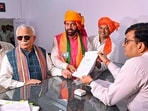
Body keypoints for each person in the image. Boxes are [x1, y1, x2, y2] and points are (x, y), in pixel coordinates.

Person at [81, 22, 148, 111]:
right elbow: (126, 77)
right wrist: (107, 61)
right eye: (101, 28)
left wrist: (91, 83)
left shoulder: (135, 64)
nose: (123, 45)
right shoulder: (141, 63)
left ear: (140, 46)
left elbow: (108, 98)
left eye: (126, 41)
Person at [0, 24, 70, 89]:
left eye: (26, 37)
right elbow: (3, 79)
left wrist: (62, 72)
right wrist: (23, 84)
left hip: (41, 95)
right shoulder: (9, 56)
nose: (23, 40)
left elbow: (50, 69)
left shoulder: (42, 52)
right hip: (21, 97)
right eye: (20, 37)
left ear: (34, 38)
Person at [51, 10, 92, 79]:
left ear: (77, 25)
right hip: (64, 76)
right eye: (67, 24)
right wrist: (66, 66)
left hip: (82, 77)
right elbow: (54, 58)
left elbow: (90, 58)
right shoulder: (57, 39)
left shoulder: (85, 39)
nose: (69, 27)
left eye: (72, 24)